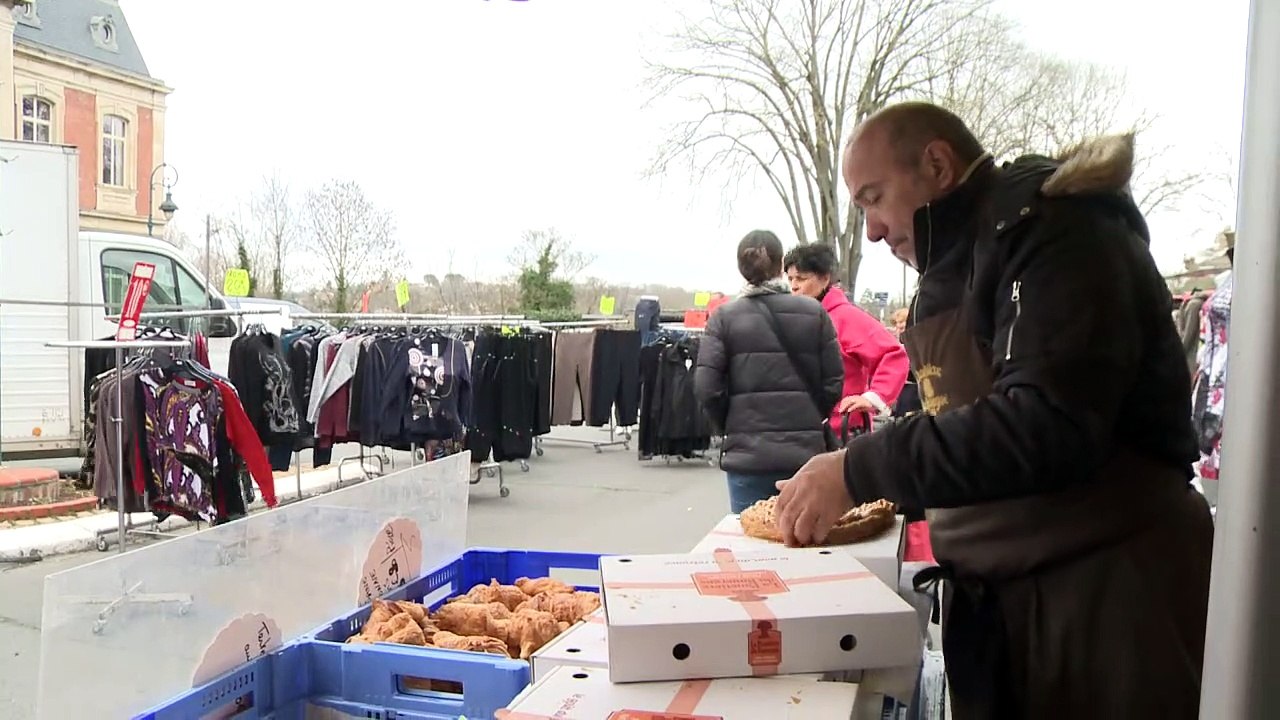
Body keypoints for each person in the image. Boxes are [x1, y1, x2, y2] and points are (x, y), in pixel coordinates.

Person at [773, 102, 1213, 718]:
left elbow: (1044, 425)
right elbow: (972, 435)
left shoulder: (1058, 230)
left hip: (1105, 601)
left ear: (936, 163)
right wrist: (880, 492)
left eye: (873, 199)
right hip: (1003, 606)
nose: (870, 230)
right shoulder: (958, 259)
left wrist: (858, 469)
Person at [694, 230, 843, 513]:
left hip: (748, 456)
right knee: (804, 544)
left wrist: (733, 423)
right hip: (806, 454)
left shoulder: (724, 318)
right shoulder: (814, 313)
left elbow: (707, 387)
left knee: (751, 544)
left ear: (741, 268)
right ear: (780, 267)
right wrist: (811, 413)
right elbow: (833, 382)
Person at [784, 242, 908, 437]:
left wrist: (873, 397)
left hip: (841, 434)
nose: (793, 286)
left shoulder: (847, 317)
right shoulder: (792, 318)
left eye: (801, 278)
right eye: (790, 278)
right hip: (801, 435)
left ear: (824, 279)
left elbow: (893, 354)